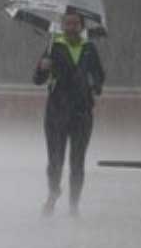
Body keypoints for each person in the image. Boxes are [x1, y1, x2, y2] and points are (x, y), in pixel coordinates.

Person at [33, 12, 105, 217]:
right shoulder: (53, 47)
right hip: (56, 112)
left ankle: (74, 205)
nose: (71, 27)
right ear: (62, 25)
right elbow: (37, 79)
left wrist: (94, 85)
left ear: (81, 27)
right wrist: (42, 67)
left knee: (77, 161)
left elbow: (100, 77)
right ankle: (53, 194)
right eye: (68, 23)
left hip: (82, 114)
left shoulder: (89, 49)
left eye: (76, 23)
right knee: (55, 160)